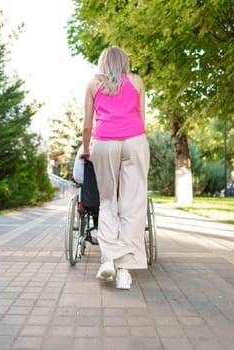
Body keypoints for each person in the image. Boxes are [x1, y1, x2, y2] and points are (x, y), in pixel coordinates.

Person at [81, 46, 149, 290]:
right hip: (134, 140)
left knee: (108, 202)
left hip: (104, 141)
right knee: (133, 203)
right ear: (124, 62)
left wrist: (86, 149)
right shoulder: (137, 81)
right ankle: (124, 272)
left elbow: (87, 125)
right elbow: (142, 119)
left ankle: (109, 259)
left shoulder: (92, 84)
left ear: (102, 62)